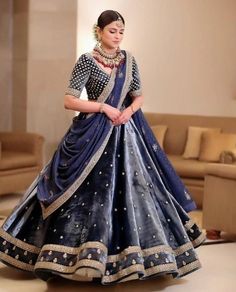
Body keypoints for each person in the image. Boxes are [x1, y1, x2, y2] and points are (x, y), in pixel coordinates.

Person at [0, 10, 205, 284]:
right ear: (99, 31)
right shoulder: (87, 61)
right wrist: (103, 107)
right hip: (92, 132)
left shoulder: (129, 61)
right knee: (89, 192)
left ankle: (134, 258)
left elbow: (139, 95)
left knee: (134, 191)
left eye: (121, 32)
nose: (118, 36)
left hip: (125, 132)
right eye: (112, 31)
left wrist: (128, 111)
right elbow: (70, 100)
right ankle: (72, 257)